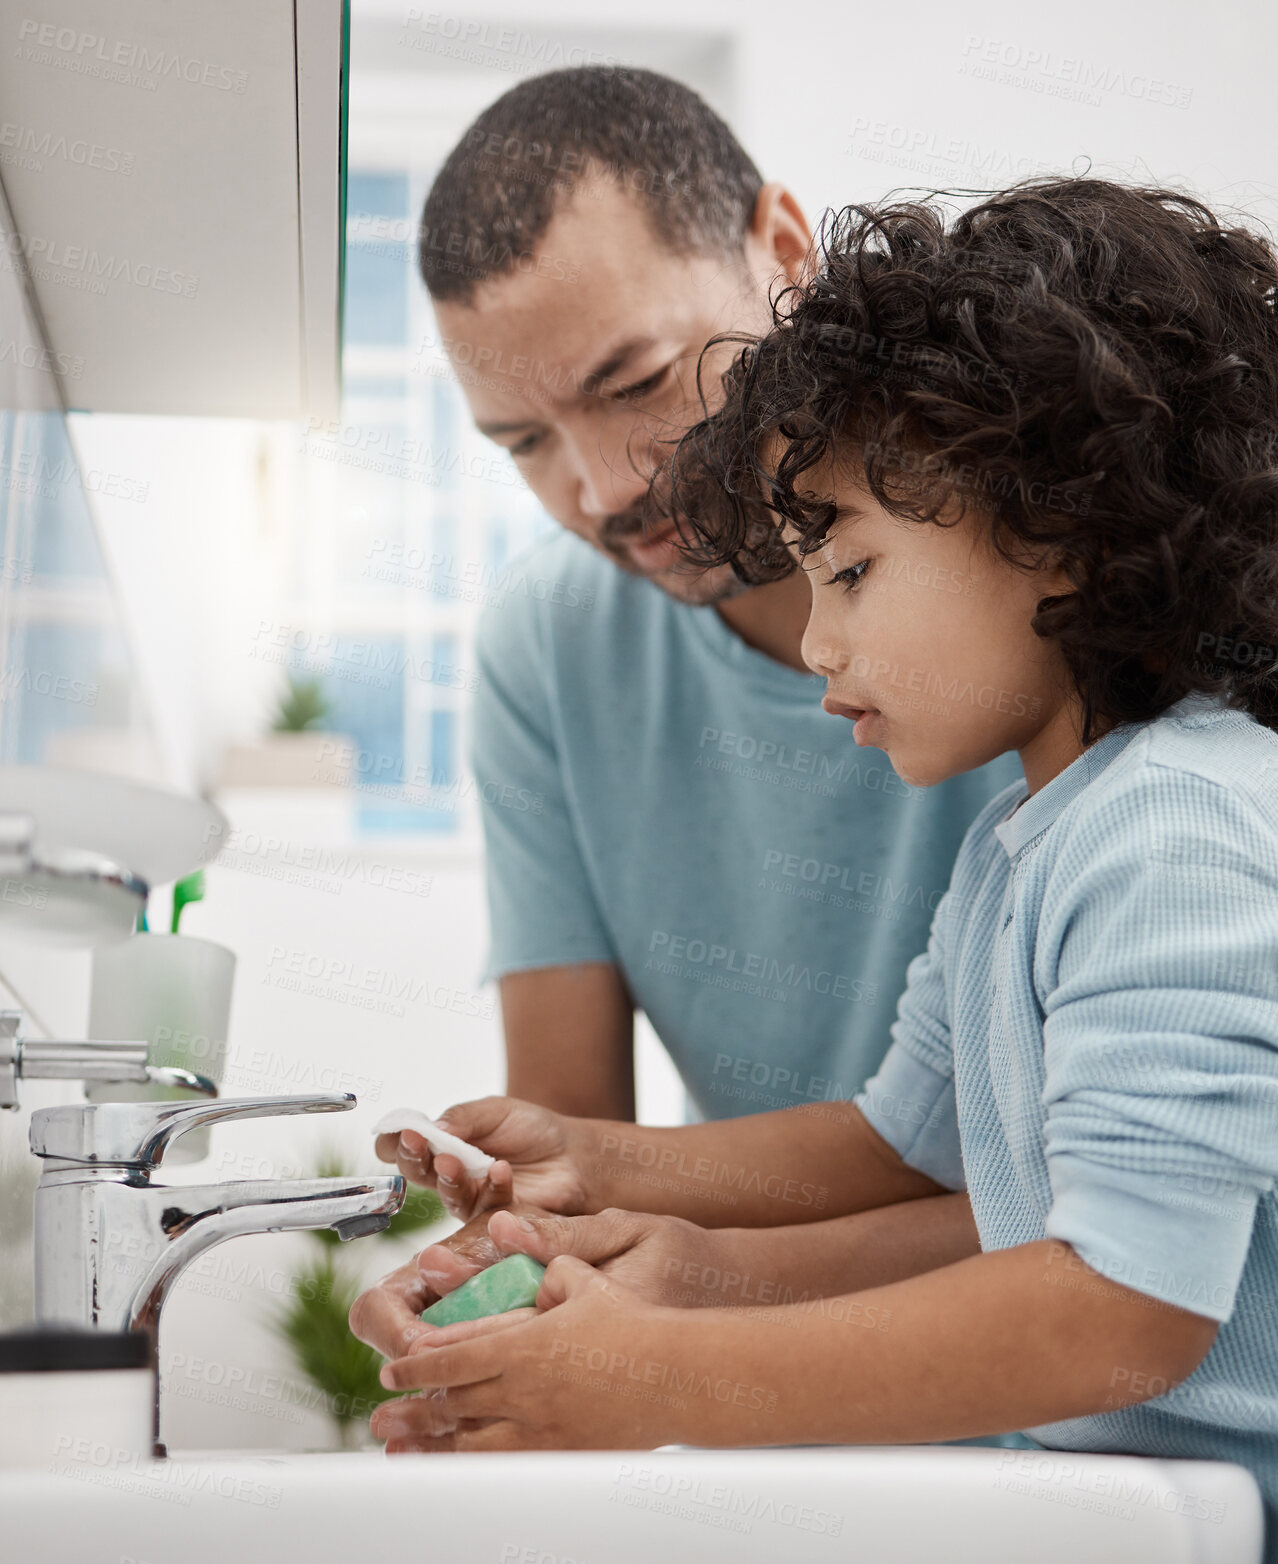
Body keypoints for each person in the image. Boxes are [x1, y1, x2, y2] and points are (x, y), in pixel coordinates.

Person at [358, 176, 1278, 1557]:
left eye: (846, 573)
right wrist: (619, 1188)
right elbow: (892, 1151)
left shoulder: (1177, 836)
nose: (816, 646)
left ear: (1064, 531)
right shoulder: (1018, 847)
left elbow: (1122, 1312)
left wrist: (656, 1378)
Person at [379, 64, 1021, 1177]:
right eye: (523, 442)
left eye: (635, 384)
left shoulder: (1028, 564)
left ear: (780, 249)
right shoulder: (550, 642)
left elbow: (1107, 1225)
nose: (600, 491)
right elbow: (570, 1154)